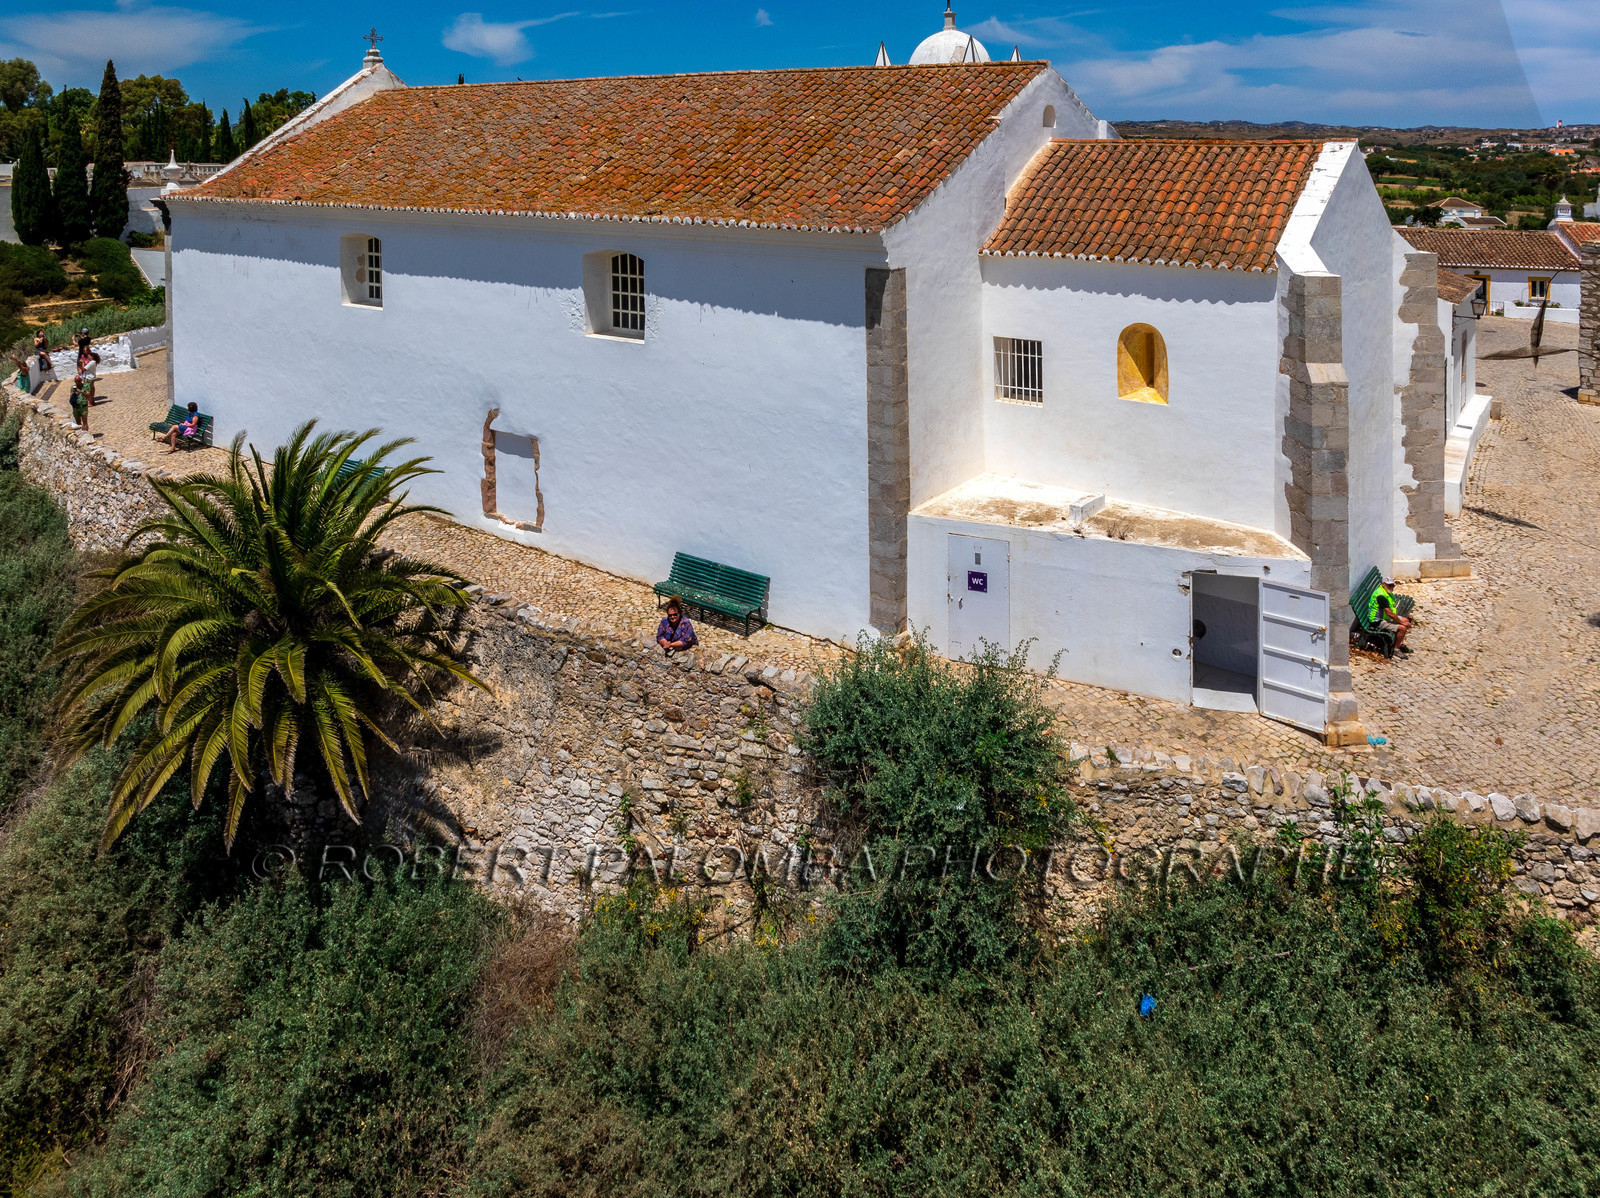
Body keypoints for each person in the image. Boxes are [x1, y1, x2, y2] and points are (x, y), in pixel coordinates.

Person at [1369, 577, 1411, 655]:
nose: (1391, 587)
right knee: (1402, 628)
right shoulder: (1381, 596)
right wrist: (1401, 623)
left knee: (1406, 619)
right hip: (1377, 621)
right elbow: (1390, 613)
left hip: (1384, 617)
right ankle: (1396, 650)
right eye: (1389, 585)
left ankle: (1401, 644)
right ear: (1383, 584)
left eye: (1392, 585)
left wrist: (1402, 621)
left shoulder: (1386, 592)